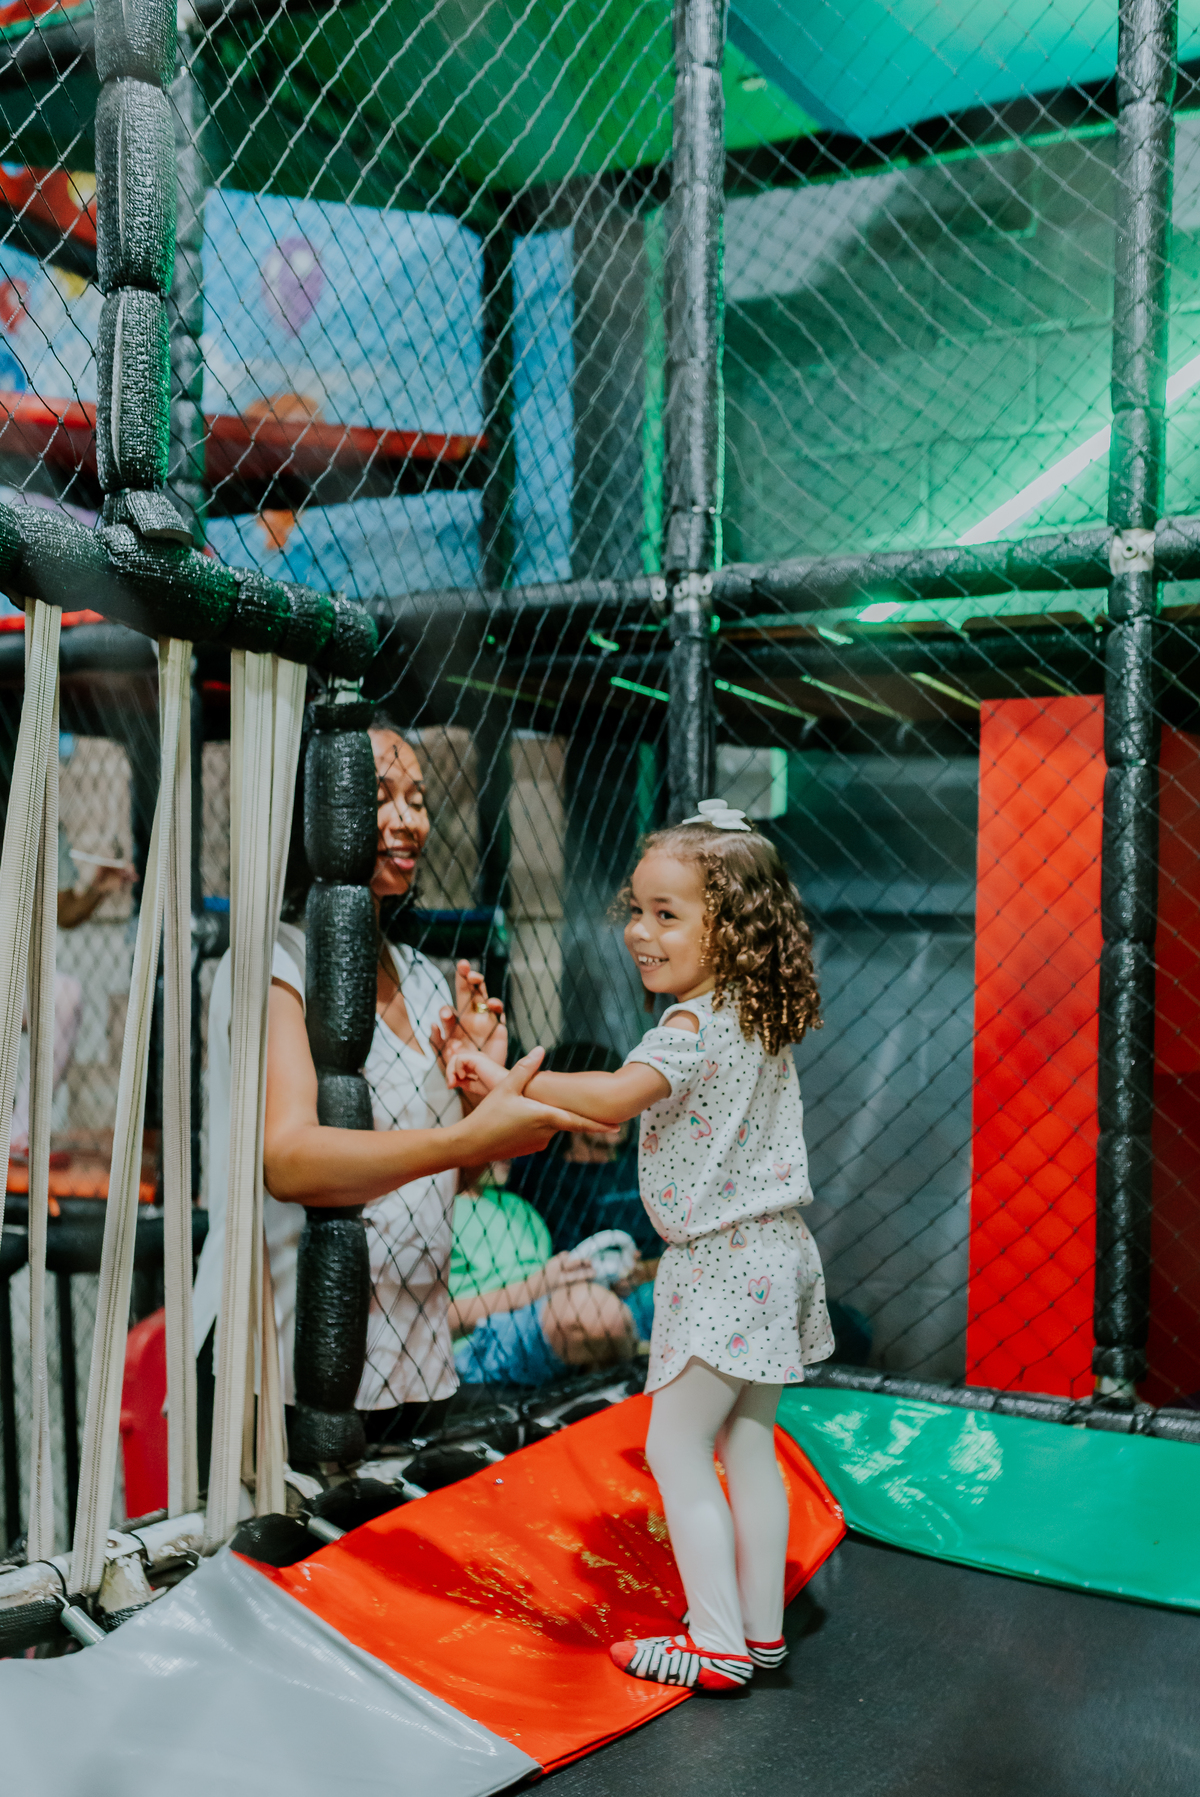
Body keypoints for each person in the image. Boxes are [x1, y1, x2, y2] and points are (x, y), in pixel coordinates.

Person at [448, 796, 833, 1692]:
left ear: (727, 929)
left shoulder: (689, 1027)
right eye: (635, 908)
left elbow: (621, 1097)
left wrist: (516, 1080)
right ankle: (762, 1633)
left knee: (673, 1449)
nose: (639, 931)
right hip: (776, 1254)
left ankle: (718, 1645)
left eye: (667, 914)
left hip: (725, 1266)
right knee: (746, 1442)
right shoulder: (754, 1014)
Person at [192, 714, 604, 1463]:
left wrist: (482, 1082)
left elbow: (454, 1178)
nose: (409, 819)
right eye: (381, 796)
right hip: (290, 1357)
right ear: (316, 814)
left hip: (416, 1355)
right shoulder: (272, 964)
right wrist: (464, 1134)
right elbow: (287, 1160)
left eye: (417, 798)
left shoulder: (420, 976)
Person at [447, 1167, 654, 1385]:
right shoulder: (434, 1213)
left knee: (666, 1294)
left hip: (546, 1315)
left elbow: (551, 1283)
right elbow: (430, 1320)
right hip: (480, 1340)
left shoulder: (515, 1205)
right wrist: (536, 1287)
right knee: (595, 1314)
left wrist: (606, 1282)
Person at [10, 829, 134, 1162]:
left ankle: (21, 1130)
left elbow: (63, 912)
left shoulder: (42, 807)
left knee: (65, 994)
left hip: (10, 976)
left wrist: (97, 889)